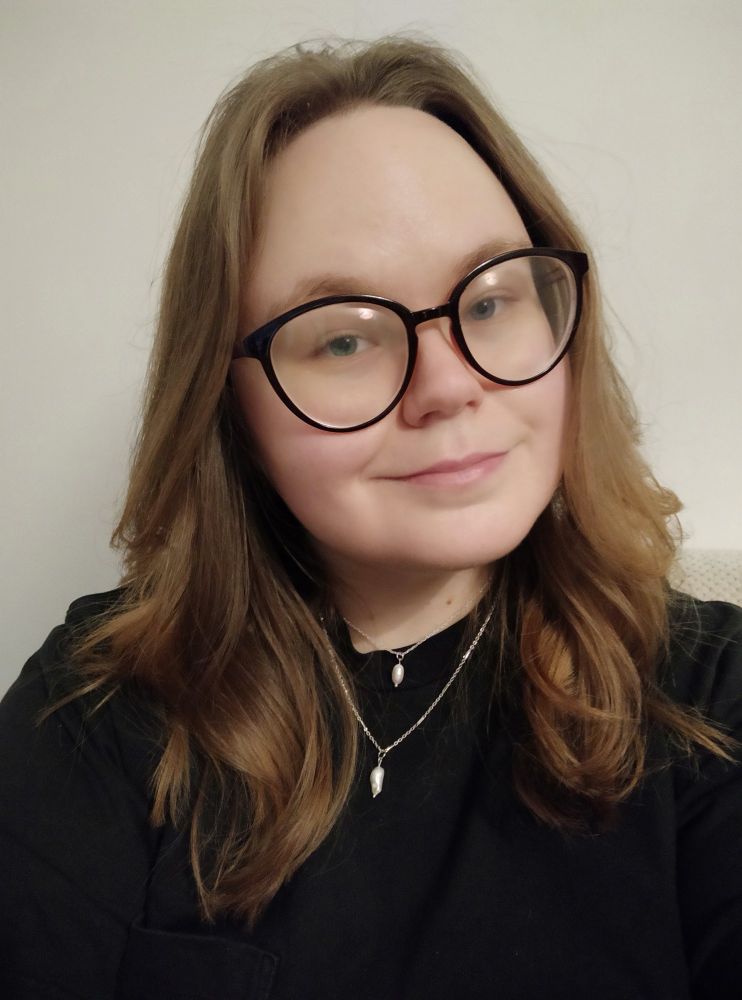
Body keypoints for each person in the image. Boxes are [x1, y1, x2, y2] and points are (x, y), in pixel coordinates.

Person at [1, 36, 740, 1000]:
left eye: (492, 300)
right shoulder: (97, 710)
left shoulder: (712, 699)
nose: (449, 384)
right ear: (227, 404)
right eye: (344, 338)